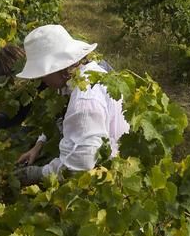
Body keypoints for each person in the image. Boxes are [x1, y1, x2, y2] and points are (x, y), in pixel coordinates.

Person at [15, 24, 129, 185]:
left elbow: (80, 165)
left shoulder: (84, 102)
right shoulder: (86, 75)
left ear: (58, 67)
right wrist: (39, 144)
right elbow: (62, 117)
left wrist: (40, 173)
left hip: (107, 181)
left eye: (43, 74)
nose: (41, 80)